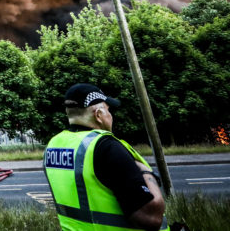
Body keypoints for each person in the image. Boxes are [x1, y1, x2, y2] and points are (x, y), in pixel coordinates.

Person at [44, 83, 168, 231]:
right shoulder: (107, 147)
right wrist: (148, 173)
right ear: (98, 115)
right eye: (108, 110)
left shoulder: (53, 146)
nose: (111, 115)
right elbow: (151, 219)